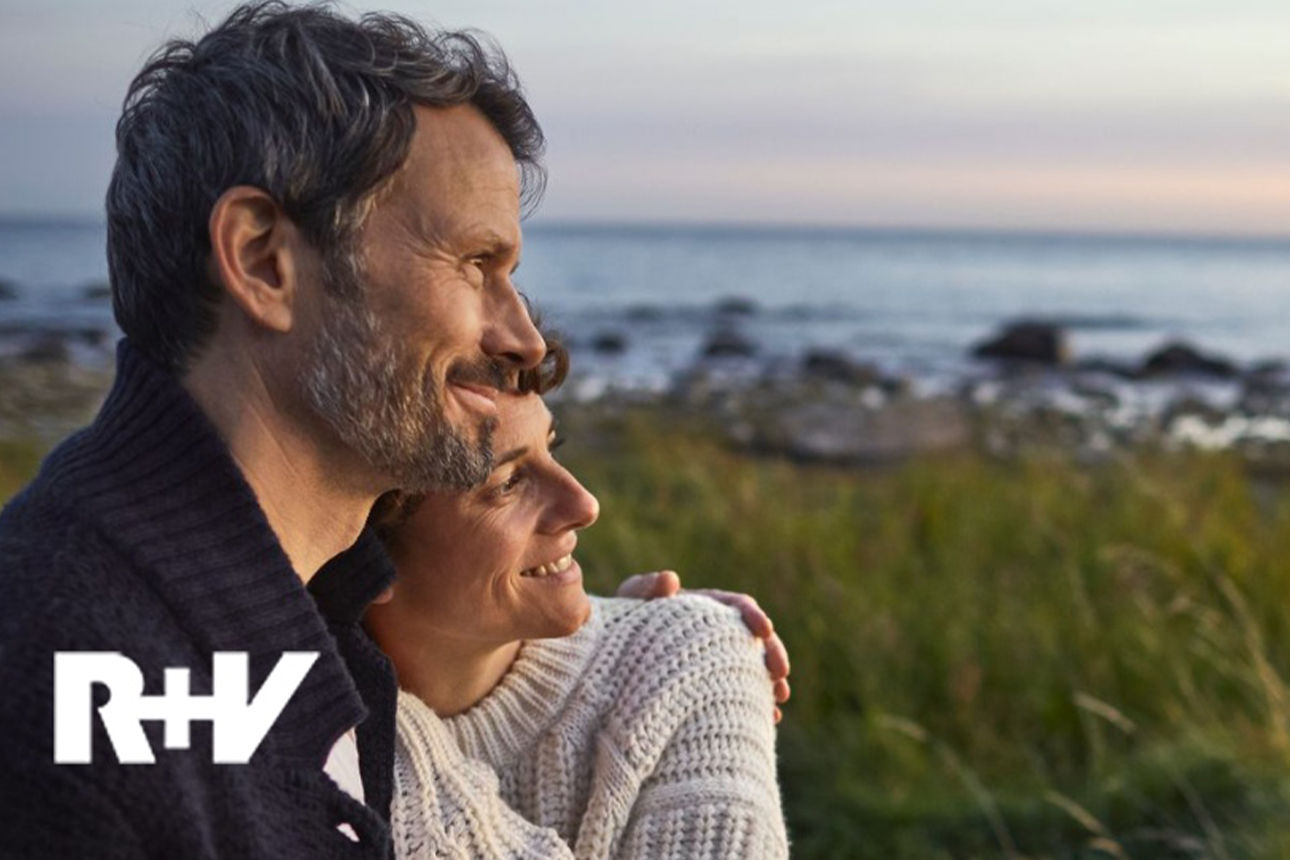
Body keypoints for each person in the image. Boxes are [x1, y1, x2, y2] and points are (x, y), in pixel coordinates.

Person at [0, 4, 786, 857]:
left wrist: (628, 660)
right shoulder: (80, 680)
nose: (521, 337)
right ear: (265, 261)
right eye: (476, 265)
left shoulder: (293, 628)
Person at [365, 341, 790, 860]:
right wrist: (375, 729)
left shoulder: (685, 664)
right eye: (508, 483)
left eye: (553, 448)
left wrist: (369, 738)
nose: (584, 504)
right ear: (362, 555)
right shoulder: (267, 708)